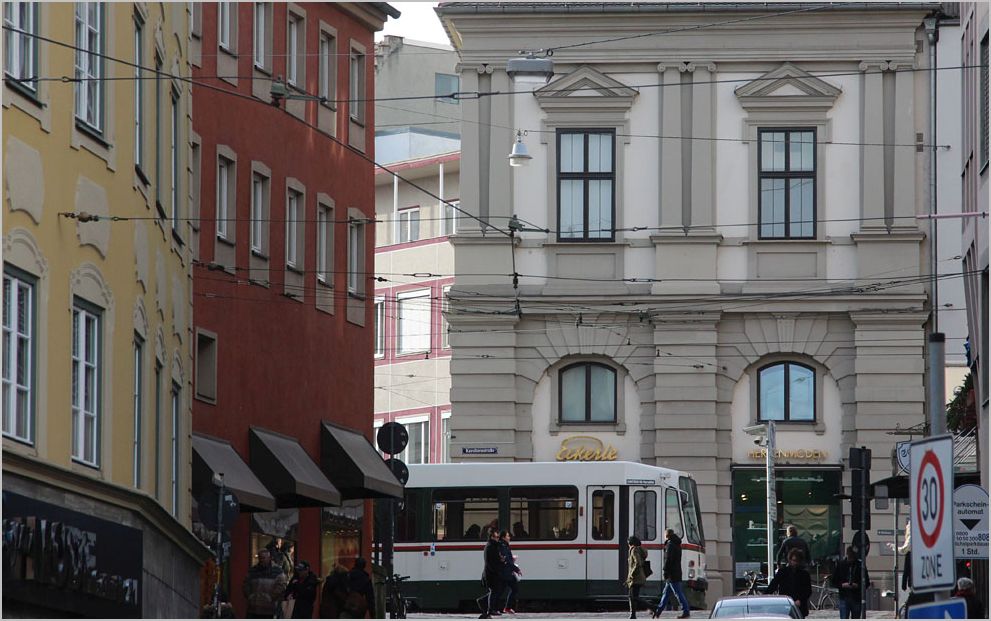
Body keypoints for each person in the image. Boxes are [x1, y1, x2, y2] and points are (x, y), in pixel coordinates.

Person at [652, 529, 691, 619]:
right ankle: (658, 612)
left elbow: (668, 560)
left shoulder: (670, 545)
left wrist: (665, 570)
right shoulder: (676, 544)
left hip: (672, 574)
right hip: (676, 572)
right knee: (666, 593)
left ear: (667, 535)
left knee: (678, 593)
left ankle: (686, 611)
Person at [243, 548, 288, 618]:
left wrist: (271, 597)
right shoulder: (253, 571)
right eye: (260, 558)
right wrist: (250, 596)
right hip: (254, 608)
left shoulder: (277, 571)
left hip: (271, 609)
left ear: (269, 558)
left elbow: (281, 586)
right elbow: (246, 584)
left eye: (264, 558)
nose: (261, 560)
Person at [767, 549, 812, 618]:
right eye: (793, 560)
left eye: (797, 561)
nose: (795, 563)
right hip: (784, 604)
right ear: (789, 560)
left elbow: (808, 590)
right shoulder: (783, 572)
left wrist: (800, 600)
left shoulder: (804, 574)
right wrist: (765, 595)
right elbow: (773, 585)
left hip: (799, 606)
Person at [832, 546, 870, 619]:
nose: (851, 559)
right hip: (844, 596)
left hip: (856, 597)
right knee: (844, 617)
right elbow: (834, 581)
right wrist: (842, 585)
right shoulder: (841, 565)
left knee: (855, 616)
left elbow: (866, 582)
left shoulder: (860, 566)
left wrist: (857, 585)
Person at [479, 527, 505, 619]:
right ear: (491, 536)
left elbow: (495, 559)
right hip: (491, 574)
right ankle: (490, 610)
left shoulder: (494, 546)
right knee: (494, 591)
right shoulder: (490, 546)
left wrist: (501, 560)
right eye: (496, 536)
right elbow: (490, 562)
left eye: (498, 537)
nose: (497, 538)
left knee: (496, 591)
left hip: (493, 572)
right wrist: (497, 568)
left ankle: (482, 602)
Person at [499, 530, 522, 614]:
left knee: (500, 590)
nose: (509, 538)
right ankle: (506, 607)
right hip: (506, 572)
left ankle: (506, 607)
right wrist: (516, 569)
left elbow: (507, 559)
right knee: (512, 589)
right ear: (503, 537)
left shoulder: (504, 546)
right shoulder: (503, 546)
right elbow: (507, 560)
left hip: (507, 571)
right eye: (508, 536)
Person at [625, 536, 648, 619]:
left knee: (633, 597)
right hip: (639, 576)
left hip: (635, 577)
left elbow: (637, 563)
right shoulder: (639, 550)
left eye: (628, 543)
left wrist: (631, 574)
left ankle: (652, 606)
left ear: (631, 543)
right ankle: (633, 615)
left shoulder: (634, 550)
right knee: (634, 597)